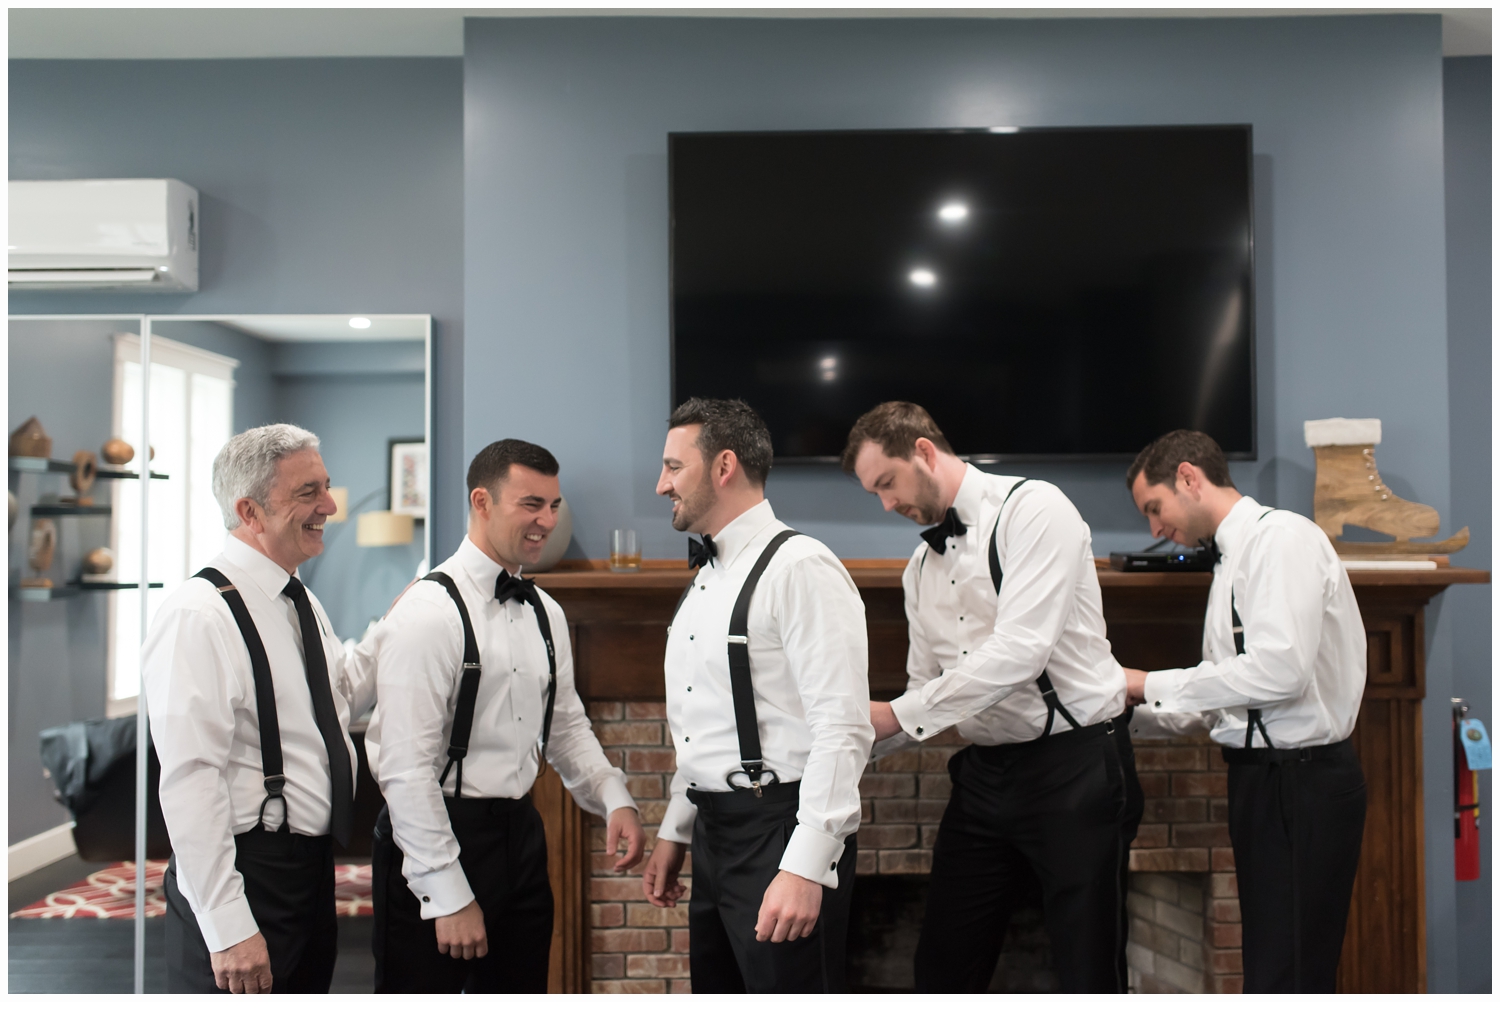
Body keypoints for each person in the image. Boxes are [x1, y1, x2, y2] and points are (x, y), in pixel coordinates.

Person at [843, 401, 1143, 994]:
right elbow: (923, 694)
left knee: (1087, 969)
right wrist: (840, 747)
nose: (885, 505)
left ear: (924, 452)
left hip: (1074, 767)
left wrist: (895, 714)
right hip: (984, 777)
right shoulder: (918, 570)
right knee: (943, 967)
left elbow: (1021, 651)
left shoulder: (1035, 510)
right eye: (873, 493)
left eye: (887, 483)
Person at [365, 439, 645, 993]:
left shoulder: (548, 613)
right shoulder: (427, 614)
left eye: (554, 506)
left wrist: (614, 797)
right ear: (482, 502)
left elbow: (564, 725)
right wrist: (447, 893)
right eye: (531, 504)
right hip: (437, 836)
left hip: (521, 834)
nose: (546, 520)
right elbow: (404, 770)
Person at [638, 398, 873, 993]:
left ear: (723, 467)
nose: (660, 483)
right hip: (715, 838)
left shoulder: (802, 568)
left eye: (673, 466)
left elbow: (842, 729)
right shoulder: (706, 576)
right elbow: (704, 720)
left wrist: (805, 866)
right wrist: (675, 831)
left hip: (780, 831)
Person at [1121, 430, 1367, 993]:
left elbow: (1281, 672)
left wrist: (1148, 680)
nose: (1154, 530)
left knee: (1292, 973)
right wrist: (1118, 708)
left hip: (1303, 783)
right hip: (1264, 781)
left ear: (1188, 477)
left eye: (1154, 509)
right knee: (1271, 963)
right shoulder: (1231, 558)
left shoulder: (1281, 540)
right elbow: (1229, 702)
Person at [143, 424, 374, 994]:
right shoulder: (198, 615)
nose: (329, 505)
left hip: (308, 874)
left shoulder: (300, 598)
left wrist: (405, 623)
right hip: (247, 874)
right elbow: (189, 781)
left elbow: (338, 693)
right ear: (250, 510)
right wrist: (226, 926)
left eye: (325, 486)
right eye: (307, 493)